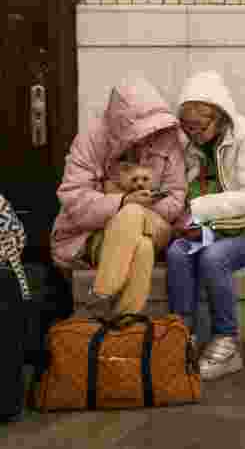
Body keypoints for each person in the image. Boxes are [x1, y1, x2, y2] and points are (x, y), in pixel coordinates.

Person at [165, 71, 245, 381]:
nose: (192, 134)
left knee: (213, 257)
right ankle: (182, 337)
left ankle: (226, 341)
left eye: (199, 127)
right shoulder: (191, 143)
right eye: (187, 127)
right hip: (218, 224)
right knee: (178, 252)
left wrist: (195, 210)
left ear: (219, 118)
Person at [50, 77, 187, 318]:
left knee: (134, 215)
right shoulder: (92, 140)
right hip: (94, 232)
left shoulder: (166, 137)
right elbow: (73, 197)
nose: (147, 137)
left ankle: (100, 296)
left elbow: (176, 196)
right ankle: (125, 323)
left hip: (155, 226)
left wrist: (141, 206)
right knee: (142, 249)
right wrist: (122, 202)